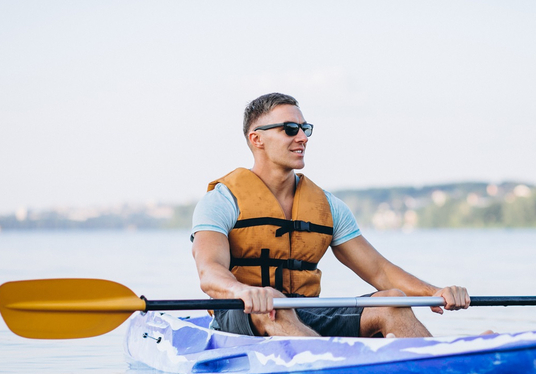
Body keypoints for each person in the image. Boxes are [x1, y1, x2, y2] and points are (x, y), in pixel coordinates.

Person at [191, 92, 470, 338]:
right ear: (257, 139)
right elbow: (209, 271)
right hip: (241, 312)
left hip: (305, 312)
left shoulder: (327, 205)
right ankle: (325, 365)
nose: (302, 137)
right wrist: (242, 291)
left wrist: (433, 292)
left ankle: (443, 366)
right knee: (274, 305)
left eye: (305, 128)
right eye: (289, 129)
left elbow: (379, 270)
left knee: (392, 301)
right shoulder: (221, 200)